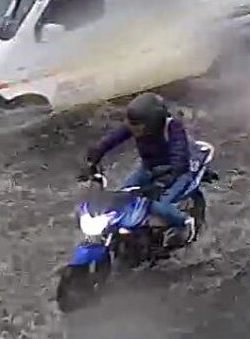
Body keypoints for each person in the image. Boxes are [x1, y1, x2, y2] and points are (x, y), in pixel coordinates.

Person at [82, 92, 197, 245]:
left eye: (137, 127)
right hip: (149, 169)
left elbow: (180, 156)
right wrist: (95, 154)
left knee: (154, 205)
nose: (133, 130)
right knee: (122, 198)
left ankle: (186, 223)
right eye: (131, 125)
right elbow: (112, 139)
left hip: (175, 174)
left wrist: (166, 180)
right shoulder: (134, 126)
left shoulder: (172, 127)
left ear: (152, 122)